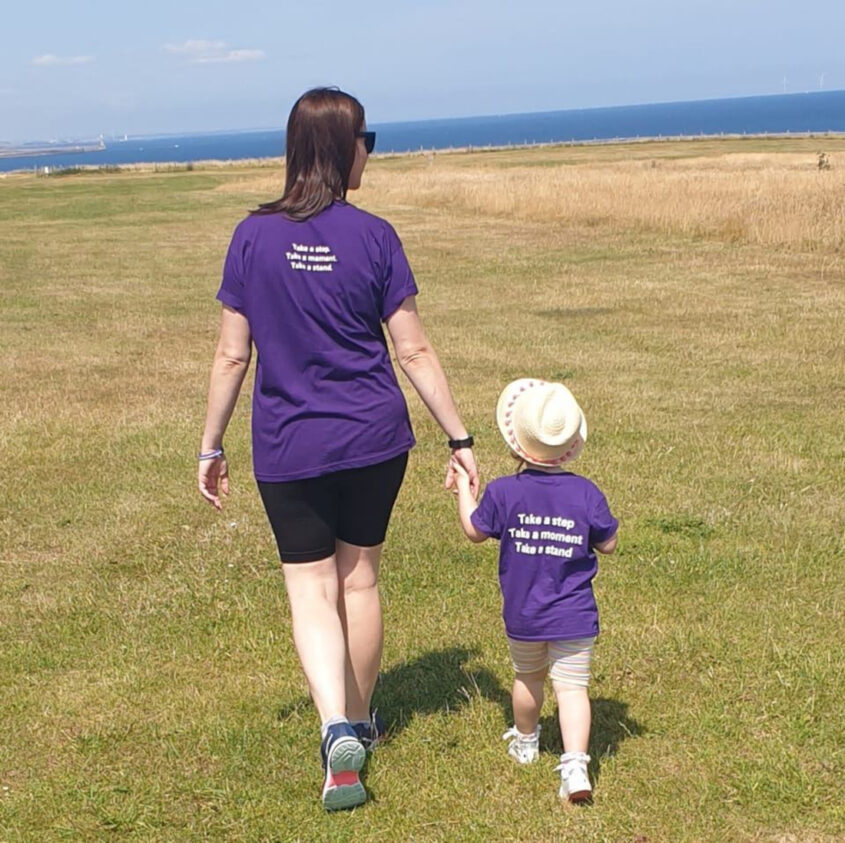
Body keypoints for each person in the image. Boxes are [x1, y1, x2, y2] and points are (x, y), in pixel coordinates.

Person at [197, 87, 478, 811]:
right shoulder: (376, 235)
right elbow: (411, 347)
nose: (369, 152)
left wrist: (209, 445)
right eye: (366, 139)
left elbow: (232, 357)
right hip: (373, 438)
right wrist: (459, 434)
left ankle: (333, 732)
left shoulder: (251, 236)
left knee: (311, 589)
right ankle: (359, 721)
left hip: (289, 446)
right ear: (339, 148)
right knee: (359, 582)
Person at [451, 378, 617, 803]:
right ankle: (576, 766)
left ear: (515, 445)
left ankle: (526, 742)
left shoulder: (504, 492)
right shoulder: (586, 492)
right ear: (571, 445)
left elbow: (474, 531)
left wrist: (465, 493)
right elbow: (609, 542)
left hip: (523, 615)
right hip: (576, 617)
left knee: (527, 678)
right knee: (572, 688)